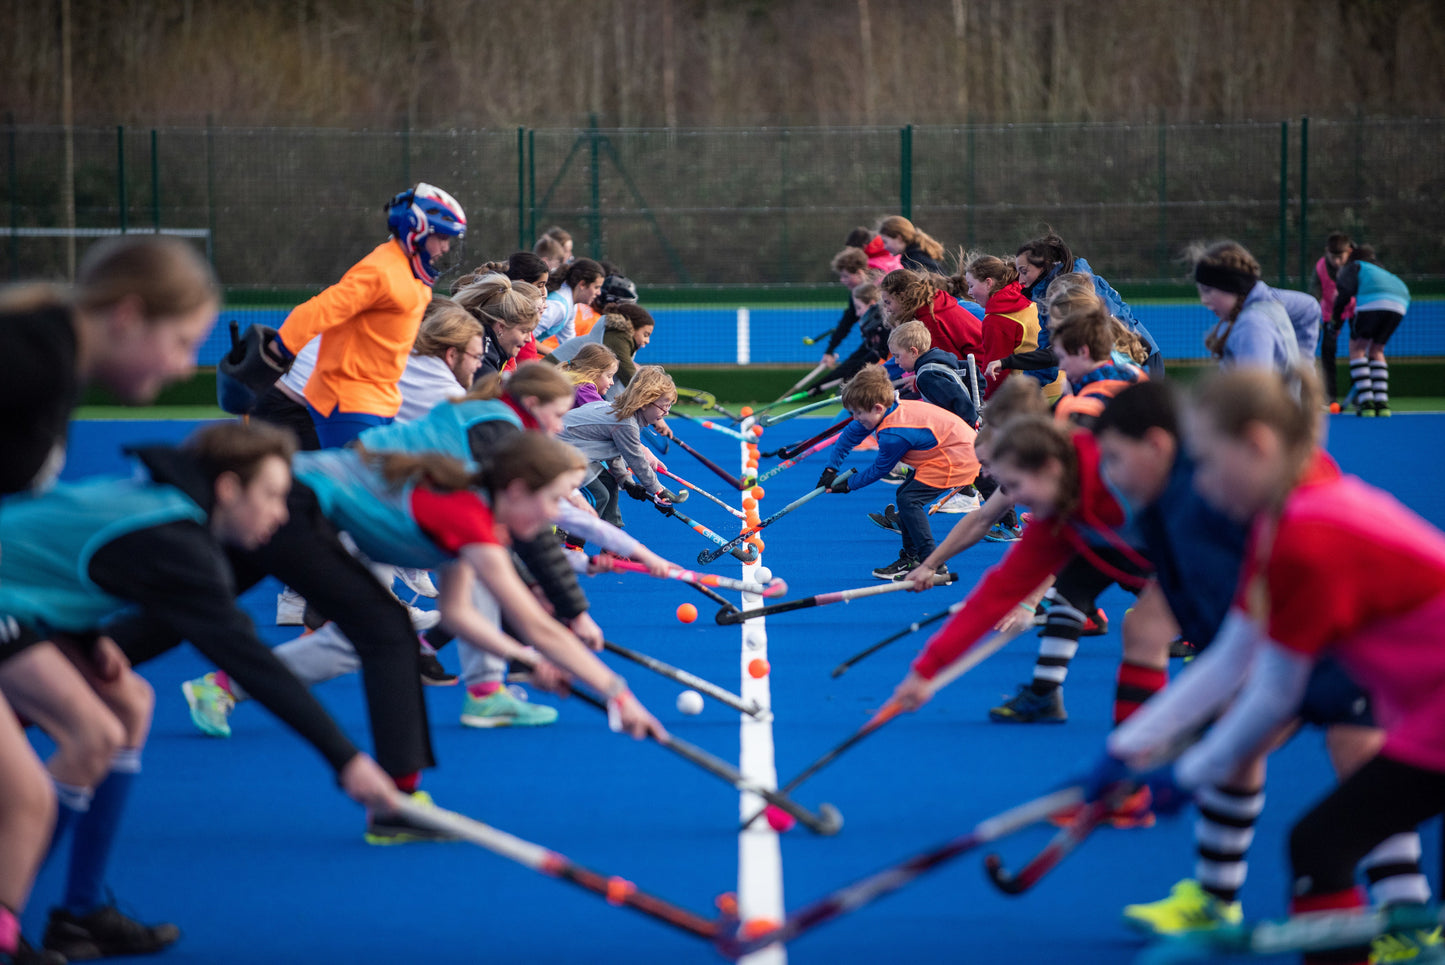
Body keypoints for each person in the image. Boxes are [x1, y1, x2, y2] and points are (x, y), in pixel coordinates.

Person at [0, 421, 397, 960]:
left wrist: (87, 640)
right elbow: (250, 662)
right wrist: (346, 759)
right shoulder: (177, 540)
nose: (283, 514)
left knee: (131, 703)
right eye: (273, 496)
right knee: (88, 736)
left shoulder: (170, 510)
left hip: (17, 604)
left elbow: (55, 558)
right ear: (229, 488)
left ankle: (81, 914)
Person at [1093, 368, 1445, 965]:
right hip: (1426, 718)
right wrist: (1126, 748)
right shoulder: (1283, 521)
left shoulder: (1311, 532)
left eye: (1205, 463)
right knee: (1322, 844)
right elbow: (1234, 651)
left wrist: (1190, 772)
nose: (1198, 485)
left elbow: (1275, 690)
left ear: (1256, 445)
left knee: (1323, 844)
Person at [0, 235, 224, 963]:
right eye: (183, 340)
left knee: (123, 706)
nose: (188, 364)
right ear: (129, 315)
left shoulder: (53, 366)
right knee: (34, 788)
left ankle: (80, 910)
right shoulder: (28, 358)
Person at [890, 412, 1153, 728]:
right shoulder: (1056, 517)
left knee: (1158, 625)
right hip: (1150, 562)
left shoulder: (1125, 483)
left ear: (1049, 468)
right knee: (1137, 621)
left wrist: (1029, 604)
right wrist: (924, 673)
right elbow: (996, 594)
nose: (1011, 499)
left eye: (1014, 485)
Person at [270, 183, 466, 448]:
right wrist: (278, 349)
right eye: (442, 237)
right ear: (416, 231)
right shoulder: (382, 270)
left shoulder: (411, 275)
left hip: (380, 399)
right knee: (355, 484)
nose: (445, 247)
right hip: (348, 398)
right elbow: (321, 309)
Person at [816, 365, 980, 580]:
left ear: (876, 408)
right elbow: (850, 434)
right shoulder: (887, 408)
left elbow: (880, 469)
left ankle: (933, 564)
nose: (855, 418)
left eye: (858, 413)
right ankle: (912, 559)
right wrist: (831, 469)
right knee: (906, 495)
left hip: (958, 457)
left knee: (909, 500)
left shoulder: (894, 433)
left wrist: (847, 485)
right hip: (945, 453)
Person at [1014, 230, 1161, 377]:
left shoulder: (1076, 286)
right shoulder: (1047, 293)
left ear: (1044, 265)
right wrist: (1027, 386)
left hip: (1139, 359)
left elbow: (1116, 328)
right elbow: (1049, 348)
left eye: (1024, 271)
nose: (1020, 280)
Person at [559, 366, 680, 526]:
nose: (667, 412)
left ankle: (612, 547)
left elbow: (613, 453)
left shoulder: (624, 416)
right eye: (664, 406)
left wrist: (626, 482)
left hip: (572, 452)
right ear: (645, 403)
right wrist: (658, 491)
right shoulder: (626, 423)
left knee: (609, 482)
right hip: (556, 452)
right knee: (598, 496)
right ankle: (573, 545)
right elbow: (637, 461)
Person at [962, 253, 1065, 400]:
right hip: (1061, 384)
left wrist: (987, 404)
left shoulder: (997, 319)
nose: (969, 292)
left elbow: (995, 373)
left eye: (971, 286)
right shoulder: (1026, 296)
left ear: (988, 283)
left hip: (1036, 395)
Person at [1190, 240, 1299, 373]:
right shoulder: (1264, 310)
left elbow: (1255, 390)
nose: (1204, 300)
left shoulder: (1252, 325)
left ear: (1229, 286)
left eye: (1207, 290)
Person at [1333, 244, 1411, 417]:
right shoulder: (1379, 269)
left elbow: (1344, 294)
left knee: (1357, 349)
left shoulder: (1354, 266)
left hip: (1373, 301)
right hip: (1401, 301)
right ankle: (1382, 403)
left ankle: (1367, 402)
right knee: (1377, 349)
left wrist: (1336, 323)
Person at [879, 268, 982, 365]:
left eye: (888, 302)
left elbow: (948, 367)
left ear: (902, 297)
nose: (888, 309)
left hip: (984, 372)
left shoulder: (931, 320)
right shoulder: (934, 306)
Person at [453, 273, 542, 379]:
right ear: (501, 327)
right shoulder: (484, 364)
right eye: (524, 331)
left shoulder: (491, 347)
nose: (528, 339)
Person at [1315, 232, 1355, 408]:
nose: (1337, 262)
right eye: (1333, 257)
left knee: (1358, 352)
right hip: (1330, 313)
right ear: (1326, 252)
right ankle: (1329, 397)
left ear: (1349, 251)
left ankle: (1358, 397)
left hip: (1355, 310)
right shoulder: (1320, 267)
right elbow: (1314, 294)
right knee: (1327, 351)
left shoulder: (1357, 265)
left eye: (1341, 257)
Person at [536, 258, 605, 354]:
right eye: (596, 287)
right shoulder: (559, 306)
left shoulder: (572, 305)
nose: (599, 293)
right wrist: (556, 356)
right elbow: (526, 335)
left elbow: (568, 342)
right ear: (582, 284)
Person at [876, 215, 945, 273]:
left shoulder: (916, 262)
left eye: (885, 242)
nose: (885, 247)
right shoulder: (911, 258)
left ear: (899, 238)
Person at [562, 343, 620, 407]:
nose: (612, 383)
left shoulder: (571, 379)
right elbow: (601, 411)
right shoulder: (584, 388)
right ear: (593, 373)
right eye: (609, 376)